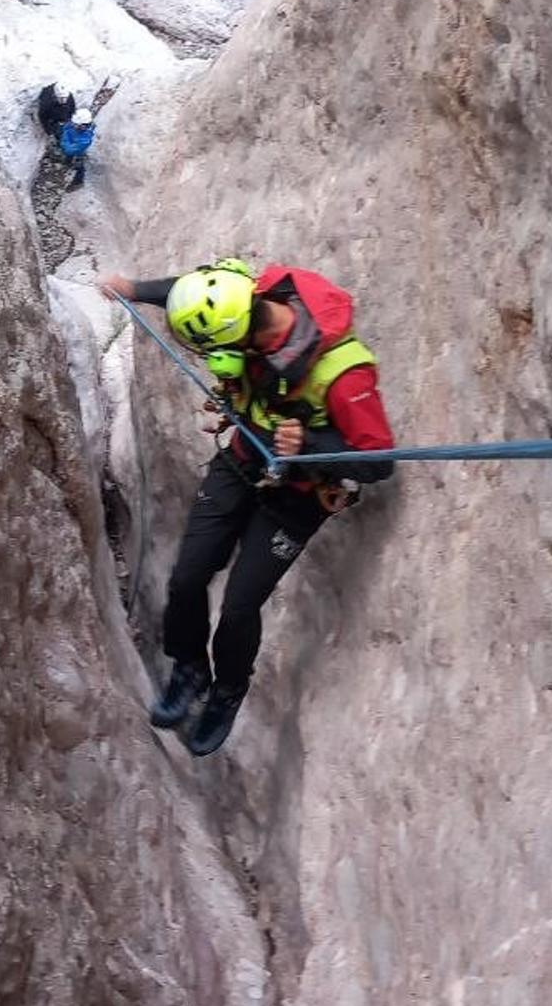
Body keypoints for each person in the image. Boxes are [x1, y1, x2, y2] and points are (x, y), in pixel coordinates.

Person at [99, 259, 395, 755]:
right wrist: (134, 289)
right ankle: (189, 666)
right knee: (188, 577)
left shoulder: (342, 374)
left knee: (239, 607)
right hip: (242, 461)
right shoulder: (249, 294)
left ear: (242, 340)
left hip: (299, 496)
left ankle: (227, 689)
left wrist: (311, 444)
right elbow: (196, 295)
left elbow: (378, 460)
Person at [57, 105, 96, 190]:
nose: (74, 125)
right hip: (70, 144)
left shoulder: (85, 139)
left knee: (79, 166)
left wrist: (64, 142)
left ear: (84, 125)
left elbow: (70, 150)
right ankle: (68, 162)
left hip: (77, 152)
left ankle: (78, 182)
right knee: (68, 157)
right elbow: (66, 128)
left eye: (76, 125)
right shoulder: (74, 125)